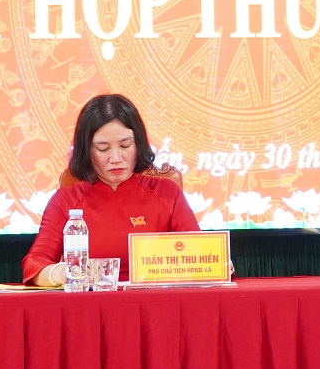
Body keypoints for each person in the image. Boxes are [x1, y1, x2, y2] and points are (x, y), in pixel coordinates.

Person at [22, 94, 200, 285]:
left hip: (156, 299)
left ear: (139, 144)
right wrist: (61, 272)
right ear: (86, 150)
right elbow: (34, 264)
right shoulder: (67, 200)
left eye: (125, 145)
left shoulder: (166, 193)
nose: (115, 158)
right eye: (103, 149)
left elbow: (202, 256)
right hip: (92, 300)